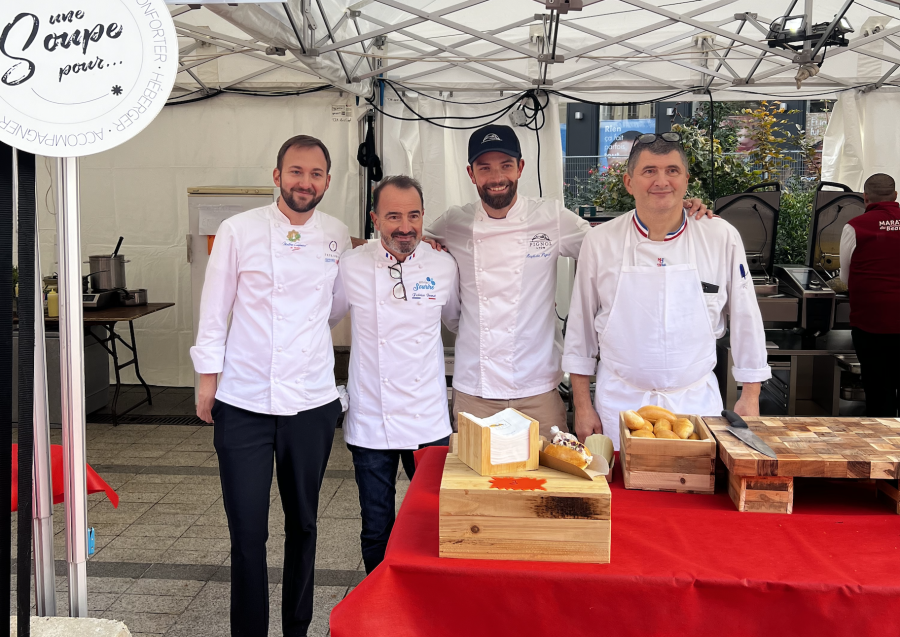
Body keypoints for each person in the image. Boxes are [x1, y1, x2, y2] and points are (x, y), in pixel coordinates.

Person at [425, 124, 712, 440]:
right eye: (485, 168)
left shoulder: (550, 216)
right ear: (470, 173)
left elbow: (609, 244)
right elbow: (409, 243)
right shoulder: (455, 222)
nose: (496, 177)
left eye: (506, 166)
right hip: (474, 389)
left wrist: (671, 210)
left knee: (550, 478)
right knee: (472, 483)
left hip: (539, 389)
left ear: (520, 168)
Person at [191, 135, 350, 637]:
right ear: (277, 176)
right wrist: (206, 378)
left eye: (316, 173)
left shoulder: (338, 235)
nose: (306, 182)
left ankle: (297, 628)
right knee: (247, 534)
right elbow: (215, 307)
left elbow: (338, 307)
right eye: (296, 172)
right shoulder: (238, 230)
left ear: (328, 179)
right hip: (244, 400)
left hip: (311, 401)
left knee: (304, 524)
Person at [562, 133, 770, 448]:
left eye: (672, 170)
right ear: (629, 182)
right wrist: (582, 405)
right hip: (620, 406)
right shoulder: (600, 241)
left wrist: (750, 396)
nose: (662, 181)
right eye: (650, 171)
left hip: (696, 406)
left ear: (687, 179)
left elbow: (746, 318)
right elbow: (580, 331)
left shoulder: (720, 236)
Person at [331, 175, 460, 573]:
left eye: (414, 215)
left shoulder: (443, 265)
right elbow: (324, 319)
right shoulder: (351, 265)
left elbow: (456, 320)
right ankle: (380, 609)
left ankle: (429, 606)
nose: (405, 226)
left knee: (437, 524)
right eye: (393, 216)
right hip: (372, 417)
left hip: (428, 417)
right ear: (374, 219)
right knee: (376, 528)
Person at [839, 173, 900, 417]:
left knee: (878, 390)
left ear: (865, 198)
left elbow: (844, 278)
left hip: (872, 324)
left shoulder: (854, 227)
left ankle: (883, 447)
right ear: (895, 196)